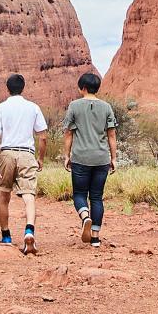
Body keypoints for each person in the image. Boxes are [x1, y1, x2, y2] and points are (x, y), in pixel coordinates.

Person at [0, 73, 48, 254]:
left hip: (6, 153)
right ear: (23, 88)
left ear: (8, 89)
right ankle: (29, 231)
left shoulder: (0, 109)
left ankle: (6, 236)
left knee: (4, 195)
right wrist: (41, 158)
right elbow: (43, 136)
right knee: (29, 196)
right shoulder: (33, 108)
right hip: (27, 154)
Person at [62, 71, 118, 248]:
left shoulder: (74, 106)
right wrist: (114, 158)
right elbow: (111, 135)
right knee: (97, 197)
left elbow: (68, 133)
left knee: (79, 194)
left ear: (83, 88)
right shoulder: (107, 107)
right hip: (101, 159)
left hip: (81, 158)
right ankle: (95, 237)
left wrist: (66, 155)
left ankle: (85, 216)